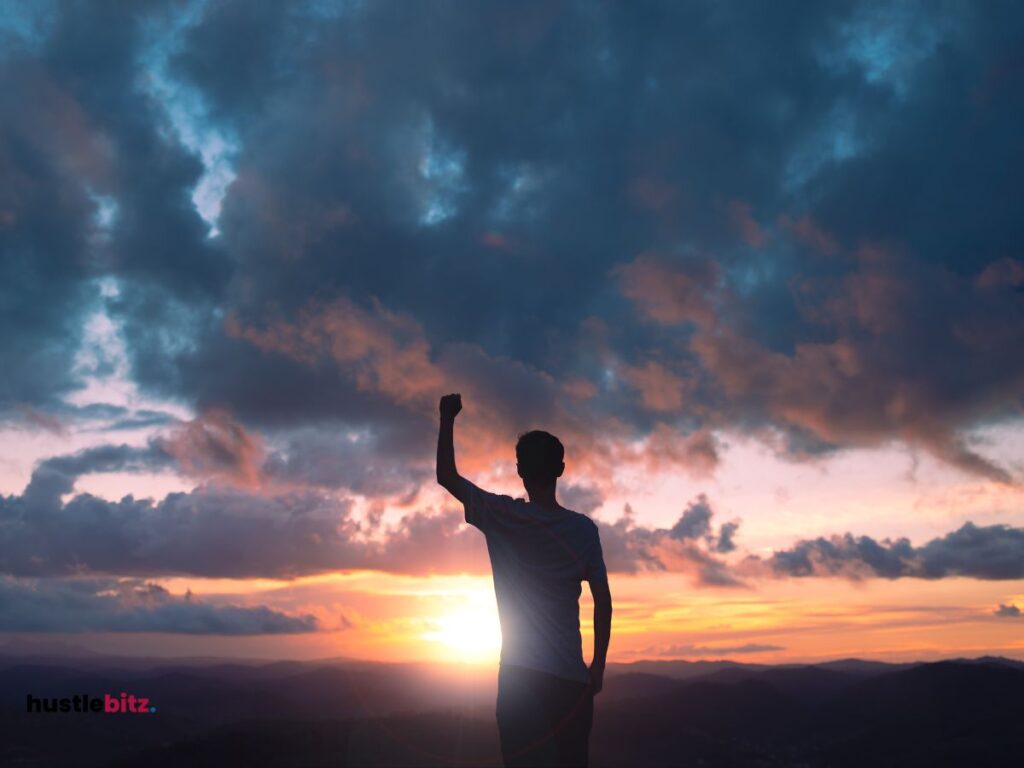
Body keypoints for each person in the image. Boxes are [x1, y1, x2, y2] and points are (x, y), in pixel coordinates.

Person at [436, 392, 612, 768]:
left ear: (519, 470)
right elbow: (603, 600)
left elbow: (446, 476)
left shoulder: (502, 516)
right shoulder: (583, 530)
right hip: (571, 679)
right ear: (561, 469)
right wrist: (597, 665)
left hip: (520, 678)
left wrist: (447, 417)